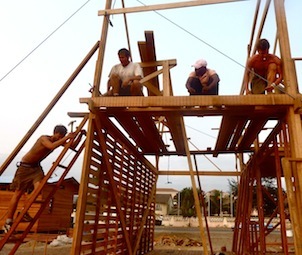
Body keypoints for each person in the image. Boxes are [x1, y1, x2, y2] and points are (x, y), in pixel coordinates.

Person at [2, 125, 84, 233]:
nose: (60, 139)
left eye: (62, 137)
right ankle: (8, 222)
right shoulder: (44, 138)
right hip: (25, 167)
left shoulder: (59, 140)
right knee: (18, 193)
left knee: (39, 188)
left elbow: (72, 146)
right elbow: (51, 146)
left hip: (36, 167)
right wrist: (66, 138)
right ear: (56, 133)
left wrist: (80, 135)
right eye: (60, 137)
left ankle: (24, 211)